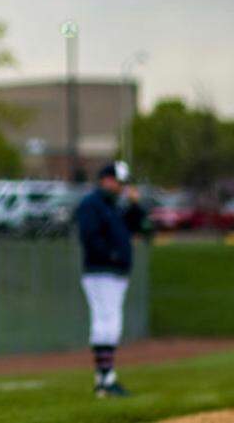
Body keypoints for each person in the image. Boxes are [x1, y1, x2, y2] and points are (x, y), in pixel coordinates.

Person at [74, 160, 150, 398]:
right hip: (101, 271)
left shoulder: (113, 206)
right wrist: (112, 255)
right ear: (106, 179)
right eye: (119, 182)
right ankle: (105, 379)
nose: (121, 187)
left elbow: (140, 226)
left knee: (111, 322)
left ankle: (105, 378)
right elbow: (89, 237)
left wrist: (135, 205)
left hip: (114, 273)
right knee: (105, 322)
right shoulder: (92, 204)